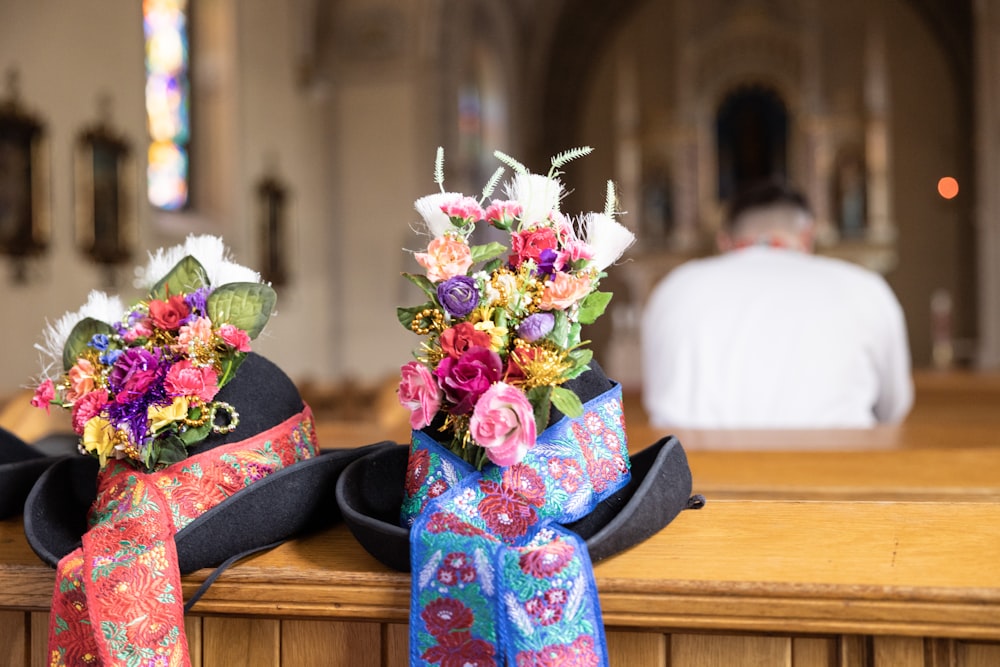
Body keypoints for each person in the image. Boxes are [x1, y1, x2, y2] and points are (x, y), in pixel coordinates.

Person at [640, 180, 913, 429]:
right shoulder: (863, 287)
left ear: (724, 240)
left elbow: (657, 396)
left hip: (697, 477)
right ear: (808, 237)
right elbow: (892, 407)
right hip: (835, 471)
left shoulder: (676, 287)